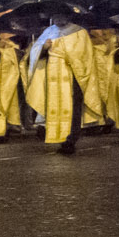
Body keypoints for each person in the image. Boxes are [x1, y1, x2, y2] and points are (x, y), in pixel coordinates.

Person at [28, 17, 99, 155]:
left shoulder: (79, 32)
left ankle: (70, 140)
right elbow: (35, 51)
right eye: (54, 15)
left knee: (73, 108)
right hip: (52, 77)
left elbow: (85, 55)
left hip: (73, 76)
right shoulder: (49, 31)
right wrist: (43, 48)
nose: (57, 18)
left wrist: (67, 53)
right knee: (54, 105)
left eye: (60, 15)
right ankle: (58, 136)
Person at [0, 24, 26, 141]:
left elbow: (16, 58)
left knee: (2, 102)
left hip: (4, 77)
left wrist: (2, 53)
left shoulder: (9, 44)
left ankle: (0, 131)